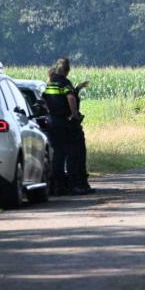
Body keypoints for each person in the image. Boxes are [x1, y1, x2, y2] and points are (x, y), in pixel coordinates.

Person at [43, 58, 93, 196]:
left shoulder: (50, 84)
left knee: (58, 155)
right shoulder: (64, 83)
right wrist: (74, 114)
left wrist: (77, 88)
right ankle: (74, 185)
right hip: (66, 123)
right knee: (72, 154)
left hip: (52, 123)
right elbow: (70, 98)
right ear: (67, 71)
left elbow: (44, 100)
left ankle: (58, 186)